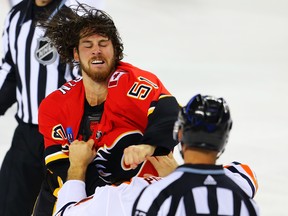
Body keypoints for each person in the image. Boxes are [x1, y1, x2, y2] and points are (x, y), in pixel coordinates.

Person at [35, 4, 179, 215]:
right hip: (84, 203)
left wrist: (147, 147)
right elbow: (59, 176)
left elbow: (172, 115)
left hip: (141, 201)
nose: (96, 50)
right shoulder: (55, 106)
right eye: (88, 44)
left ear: (115, 51)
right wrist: (78, 166)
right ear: (75, 54)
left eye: (104, 43)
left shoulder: (132, 83)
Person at [51, 98, 258, 216]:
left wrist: (77, 166)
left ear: (180, 136)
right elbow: (244, 176)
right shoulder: (239, 188)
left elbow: (65, 214)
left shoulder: (134, 194)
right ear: (224, 140)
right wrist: (175, 174)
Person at [0, 0, 82, 215]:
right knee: (8, 203)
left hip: (59, 137)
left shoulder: (70, 19)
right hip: (25, 134)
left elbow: (80, 81)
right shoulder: (16, 16)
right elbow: (9, 69)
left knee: (56, 206)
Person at [132, 94, 260, 215]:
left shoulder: (156, 194)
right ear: (223, 140)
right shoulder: (245, 201)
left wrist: (175, 176)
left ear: (180, 134)